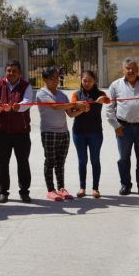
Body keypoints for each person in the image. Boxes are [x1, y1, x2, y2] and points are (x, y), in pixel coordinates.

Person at [106, 58, 139, 196]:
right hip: (124, 128)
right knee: (123, 158)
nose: (131, 71)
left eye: (133, 68)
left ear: (138, 69)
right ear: (123, 70)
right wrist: (116, 126)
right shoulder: (115, 86)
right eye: (128, 68)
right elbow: (109, 109)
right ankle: (125, 185)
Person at [36, 67, 88, 202]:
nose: (55, 81)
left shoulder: (62, 95)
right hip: (49, 132)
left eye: (56, 78)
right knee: (50, 161)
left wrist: (82, 109)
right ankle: (51, 190)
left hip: (63, 133)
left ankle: (61, 188)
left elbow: (70, 114)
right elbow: (55, 106)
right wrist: (75, 103)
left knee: (60, 163)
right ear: (45, 80)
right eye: (52, 78)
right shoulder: (42, 93)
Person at [0, 59, 34, 203]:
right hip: (1, 131)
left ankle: (24, 192)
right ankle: (3, 192)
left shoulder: (26, 86)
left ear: (19, 72)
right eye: (9, 70)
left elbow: (27, 102)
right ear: (5, 71)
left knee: (23, 163)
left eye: (14, 71)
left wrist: (16, 107)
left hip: (21, 131)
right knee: (2, 163)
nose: (11, 73)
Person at [71, 70, 109, 198]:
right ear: (81, 80)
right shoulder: (76, 94)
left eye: (90, 81)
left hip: (95, 133)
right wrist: (79, 108)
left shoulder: (100, 94)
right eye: (84, 80)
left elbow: (108, 100)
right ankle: (82, 187)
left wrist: (103, 99)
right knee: (82, 161)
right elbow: (71, 109)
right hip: (78, 133)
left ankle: (95, 188)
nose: (87, 83)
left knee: (95, 160)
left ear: (95, 81)